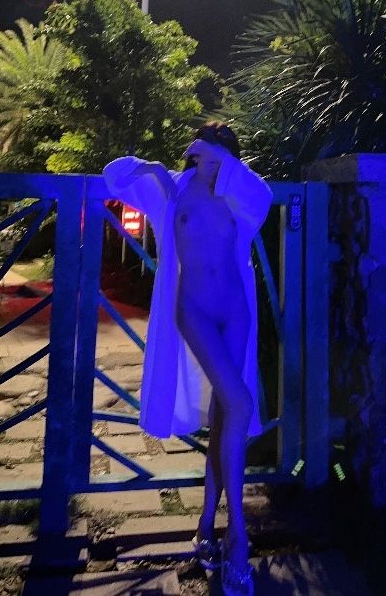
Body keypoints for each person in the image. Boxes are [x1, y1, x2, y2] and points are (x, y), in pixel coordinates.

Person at [103, 122, 273, 595]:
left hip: (235, 310)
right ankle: (238, 536)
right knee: (240, 403)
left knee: (225, 415)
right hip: (193, 309)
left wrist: (225, 164)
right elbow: (114, 175)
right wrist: (154, 168)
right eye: (207, 153)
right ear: (195, 153)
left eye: (223, 157)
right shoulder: (173, 189)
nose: (214, 164)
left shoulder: (240, 190)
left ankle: (205, 526)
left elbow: (261, 195)